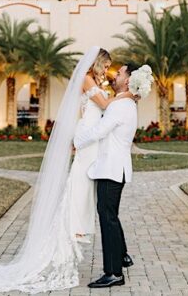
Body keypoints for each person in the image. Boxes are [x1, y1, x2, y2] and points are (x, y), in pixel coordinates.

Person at [0, 46, 136, 294]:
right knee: (87, 200)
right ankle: (88, 247)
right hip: (88, 148)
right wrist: (128, 94)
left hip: (97, 151)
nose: (108, 71)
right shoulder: (88, 81)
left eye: (111, 69)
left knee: (105, 208)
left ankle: (118, 254)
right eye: (106, 66)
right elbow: (105, 105)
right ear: (96, 63)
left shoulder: (98, 85)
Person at [74, 62, 144, 288]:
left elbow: (100, 131)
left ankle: (113, 273)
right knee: (110, 214)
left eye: (120, 73)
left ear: (129, 79)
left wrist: (76, 141)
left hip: (110, 168)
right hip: (116, 168)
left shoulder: (121, 105)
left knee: (107, 217)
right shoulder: (126, 102)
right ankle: (121, 256)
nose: (115, 75)